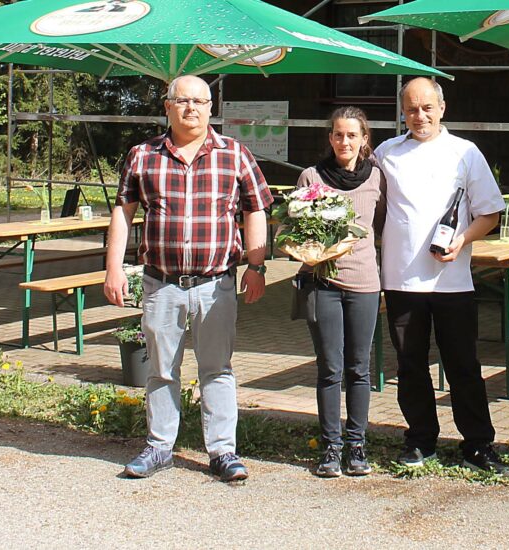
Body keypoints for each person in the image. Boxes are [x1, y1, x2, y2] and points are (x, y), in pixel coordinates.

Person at [104, 74, 273, 481]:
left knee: (217, 369)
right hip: (161, 284)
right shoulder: (142, 155)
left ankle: (223, 451)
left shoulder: (235, 154)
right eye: (182, 100)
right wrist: (113, 267)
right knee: (161, 370)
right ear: (167, 106)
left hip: (216, 285)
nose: (191, 108)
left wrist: (256, 266)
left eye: (199, 101)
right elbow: (123, 214)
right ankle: (159, 447)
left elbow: (256, 210)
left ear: (211, 108)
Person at [375, 77, 509, 474]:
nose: (420, 116)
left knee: (463, 365)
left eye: (427, 108)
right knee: (410, 365)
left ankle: (478, 444)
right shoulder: (386, 153)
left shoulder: (464, 152)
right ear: (403, 112)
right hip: (401, 280)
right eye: (412, 109)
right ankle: (420, 440)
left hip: (453, 282)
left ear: (442, 109)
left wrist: (462, 239)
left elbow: (490, 212)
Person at [295, 106, 386, 478]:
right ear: (329, 138)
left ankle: (357, 445)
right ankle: (330, 448)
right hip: (323, 284)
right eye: (338, 134)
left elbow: (382, 226)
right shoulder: (311, 177)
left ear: (364, 139)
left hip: (364, 285)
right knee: (330, 368)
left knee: (359, 369)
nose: (344, 141)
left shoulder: (377, 178)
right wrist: (313, 252)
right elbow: (295, 230)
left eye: (352, 135)